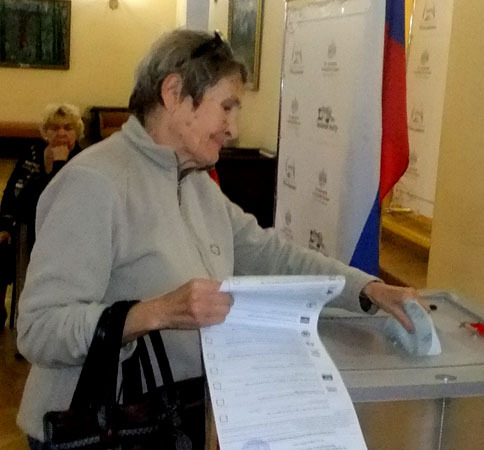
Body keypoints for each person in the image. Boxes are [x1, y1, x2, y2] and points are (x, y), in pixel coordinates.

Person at [16, 30, 422, 448]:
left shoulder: (194, 183)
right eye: (226, 107)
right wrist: (154, 313)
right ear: (174, 93)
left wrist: (366, 289)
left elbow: (270, 254)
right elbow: (38, 329)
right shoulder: (94, 183)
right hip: (100, 431)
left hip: (170, 423)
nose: (233, 128)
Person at [0, 103, 84, 330]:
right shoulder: (32, 153)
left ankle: (41, 321)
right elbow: (13, 193)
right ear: (45, 132)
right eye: (54, 128)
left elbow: (60, 202)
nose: (61, 133)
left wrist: (58, 165)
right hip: (25, 227)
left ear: (77, 132)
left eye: (68, 128)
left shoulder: (83, 159)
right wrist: (4, 225)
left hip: (65, 235)